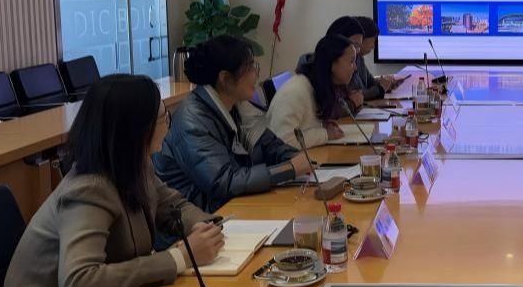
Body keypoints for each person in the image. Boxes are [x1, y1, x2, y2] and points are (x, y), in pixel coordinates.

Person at [0, 75, 223, 287]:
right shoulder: (88, 189)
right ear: (136, 130)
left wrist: (206, 228)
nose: (169, 123)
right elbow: (78, 283)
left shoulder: (136, 165)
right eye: (163, 117)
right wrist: (180, 258)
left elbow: (173, 206)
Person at [153, 35, 313, 212]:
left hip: (231, 205)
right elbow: (223, 182)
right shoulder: (192, 120)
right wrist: (288, 169)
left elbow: (268, 144)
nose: (256, 74)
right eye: (250, 68)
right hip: (201, 216)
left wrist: (294, 157)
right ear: (225, 79)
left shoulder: (236, 104)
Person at [268, 35, 359, 149]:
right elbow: (282, 141)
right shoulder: (296, 91)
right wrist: (325, 134)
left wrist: (322, 125)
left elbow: (304, 126)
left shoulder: (318, 87)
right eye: (351, 61)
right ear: (332, 63)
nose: (355, 68)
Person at [352, 16, 399, 101]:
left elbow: (370, 83)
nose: (373, 46)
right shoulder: (348, 61)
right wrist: (381, 88)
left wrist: (386, 84)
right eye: (373, 40)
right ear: (361, 38)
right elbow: (358, 95)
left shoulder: (359, 58)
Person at [326, 16, 367, 110]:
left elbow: (357, 92)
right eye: (355, 45)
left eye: (359, 46)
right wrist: (352, 104)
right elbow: (326, 111)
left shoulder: (351, 63)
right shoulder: (317, 72)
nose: (357, 51)